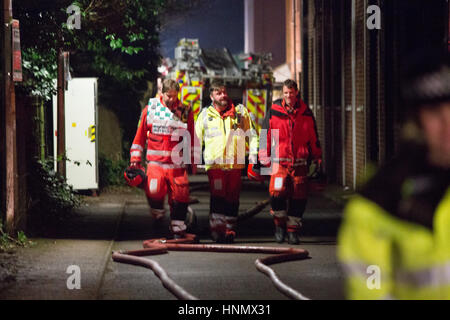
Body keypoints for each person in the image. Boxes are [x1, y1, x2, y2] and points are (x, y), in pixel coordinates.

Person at [338, 50, 450, 299]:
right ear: (416, 121)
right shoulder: (380, 204)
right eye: (434, 112)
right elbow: (371, 292)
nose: (447, 124)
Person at [129, 79, 196, 239]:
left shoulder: (185, 111)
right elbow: (140, 134)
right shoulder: (150, 110)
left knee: (180, 195)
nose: (172, 100)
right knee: (154, 190)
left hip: (177, 165)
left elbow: (192, 137)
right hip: (155, 163)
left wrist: (193, 161)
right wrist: (135, 159)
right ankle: (158, 217)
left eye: (175, 96)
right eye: (168, 96)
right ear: (162, 93)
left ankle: (178, 227)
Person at [195, 79, 259, 243]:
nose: (223, 95)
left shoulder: (240, 113)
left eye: (224, 91)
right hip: (215, 165)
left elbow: (252, 136)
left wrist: (253, 156)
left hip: (235, 164)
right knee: (218, 195)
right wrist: (191, 160)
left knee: (232, 197)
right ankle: (217, 230)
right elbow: (195, 139)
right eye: (218, 92)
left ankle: (230, 229)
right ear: (211, 96)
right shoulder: (205, 116)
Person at [258, 79, 322, 245]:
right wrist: (263, 156)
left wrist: (318, 158)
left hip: (300, 164)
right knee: (276, 194)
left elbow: (314, 138)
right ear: (283, 93)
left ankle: (292, 230)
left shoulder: (306, 113)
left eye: (291, 93)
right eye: (285, 93)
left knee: (299, 198)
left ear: (296, 93)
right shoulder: (274, 111)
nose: (288, 96)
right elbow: (265, 134)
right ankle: (279, 227)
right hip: (279, 163)